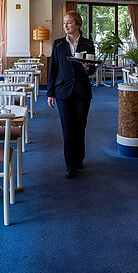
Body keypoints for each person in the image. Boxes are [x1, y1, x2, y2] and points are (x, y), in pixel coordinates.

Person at [47, 11, 96, 179]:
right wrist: (50, 93)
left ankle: (79, 158)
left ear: (77, 24)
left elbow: (92, 70)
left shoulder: (88, 44)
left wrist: (88, 67)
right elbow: (53, 69)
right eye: (64, 23)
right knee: (68, 128)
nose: (66, 25)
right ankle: (70, 164)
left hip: (82, 90)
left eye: (69, 22)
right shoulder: (58, 44)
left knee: (80, 126)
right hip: (62, 91)